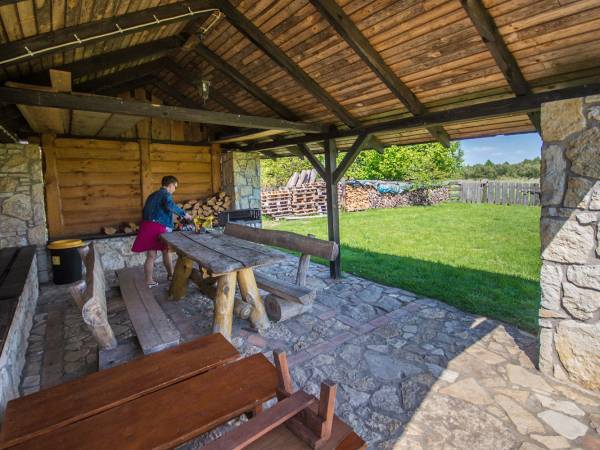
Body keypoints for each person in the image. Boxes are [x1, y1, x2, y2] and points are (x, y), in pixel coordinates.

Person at [132, 175, 191, 288]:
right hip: (158, 227)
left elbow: (146, 211)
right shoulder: (166, 194)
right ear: (171, 185)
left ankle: (149, 281)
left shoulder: (152, 195)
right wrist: (184, 214)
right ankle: (171, 275)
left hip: (146, 225)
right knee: (166, 252)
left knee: (151, 255)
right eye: (175, 187)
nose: (175, 189)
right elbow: (170, 206)